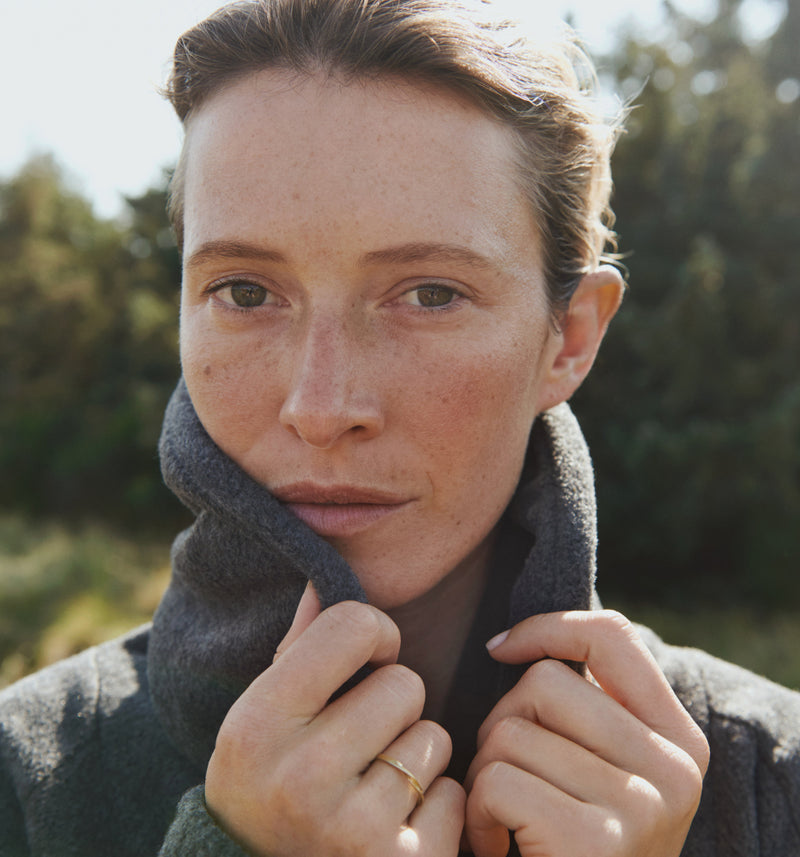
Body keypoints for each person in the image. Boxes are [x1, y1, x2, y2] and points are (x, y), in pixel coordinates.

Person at [1, 1, 798, 855]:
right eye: (245, 291)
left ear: (568, 338)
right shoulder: (23, 777)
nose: (321, 406)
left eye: (430, 294)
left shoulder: (772, 780)